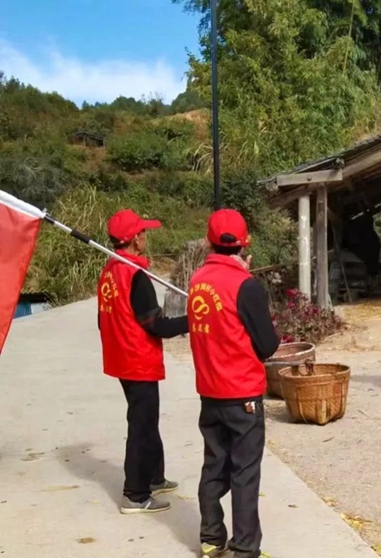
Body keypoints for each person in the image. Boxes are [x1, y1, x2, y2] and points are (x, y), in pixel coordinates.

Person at [187, 209, 280, 558]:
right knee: (244, 471)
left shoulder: (197, 280)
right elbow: (267, 345)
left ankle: (211, 538)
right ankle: (244, 547)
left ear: (209, 241)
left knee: (214, 464)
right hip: (242, 393)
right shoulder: (245, 285)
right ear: (244, 244)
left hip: (209, 391)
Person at [97, 209, 189, 514]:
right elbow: (157, 325)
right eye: (144, 232)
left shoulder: (110, 270)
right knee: (141, 426)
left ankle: (154, 477)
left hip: (121, 358)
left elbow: (102, 320)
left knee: (148, 419)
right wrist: (194, 319)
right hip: (137, 360)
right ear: (135, 239)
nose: (146, 236)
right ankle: (135, 495)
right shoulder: (135, 275)